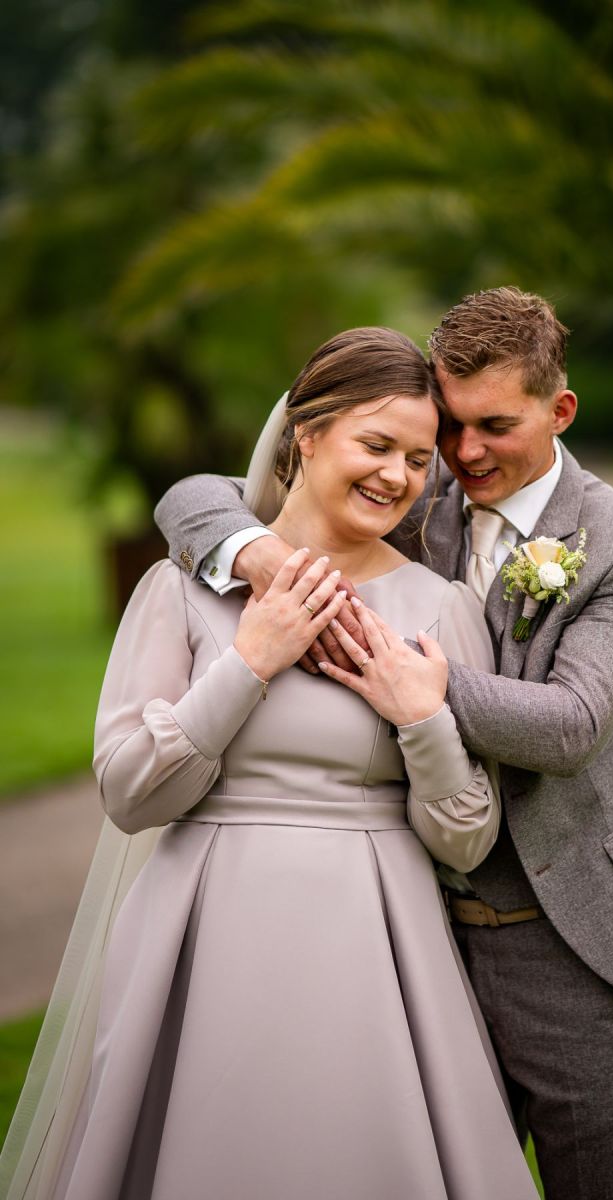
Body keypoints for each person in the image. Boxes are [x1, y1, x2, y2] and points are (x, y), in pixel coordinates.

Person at [153, 287, 613, 1200]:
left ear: (561, 410)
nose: (464, 455)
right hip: (421, 938)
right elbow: (197, 497)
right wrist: (254, 554)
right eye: (450, 427)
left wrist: (416, 678)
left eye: (494, 426)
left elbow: (574, 724)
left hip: (581, 938)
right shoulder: (419, 493)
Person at [0, 327, 540, 1200]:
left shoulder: (440, 608)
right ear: (306, 434)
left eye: (415, 457)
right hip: (203, 931)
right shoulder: (182, 588)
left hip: (379, 947)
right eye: (375, 445)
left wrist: (421, 720)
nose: (397, 477)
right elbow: (131, 794)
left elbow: (468, 839)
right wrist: (249, 661)